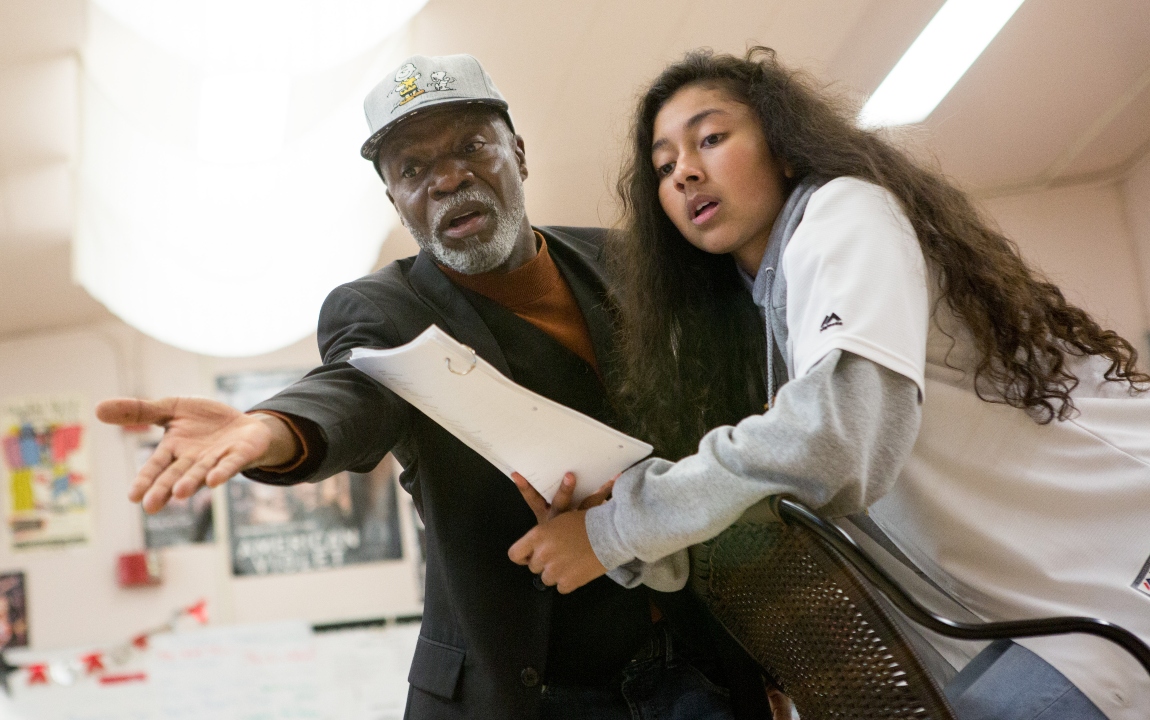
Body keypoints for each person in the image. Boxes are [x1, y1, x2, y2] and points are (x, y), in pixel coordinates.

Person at [96, 54, 769, 720]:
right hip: (529, 691)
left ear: (520, 153)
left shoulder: (625, 259)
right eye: (413, 170)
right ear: (395, 200)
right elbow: (353, 393)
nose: (448, 179)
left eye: (473, 147)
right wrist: (270, 429)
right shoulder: (384, 310)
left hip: (696, 667)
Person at [509, 47, 1150, 720]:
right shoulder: (755, 318)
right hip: (1033, 624)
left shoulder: (844, 213)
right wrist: (617, 535)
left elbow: (832, 438)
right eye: (665, 168)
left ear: (784, 148)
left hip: (1115, 565)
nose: (685, 172)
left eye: (711, 138)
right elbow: (759, 507)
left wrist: (617, 529)